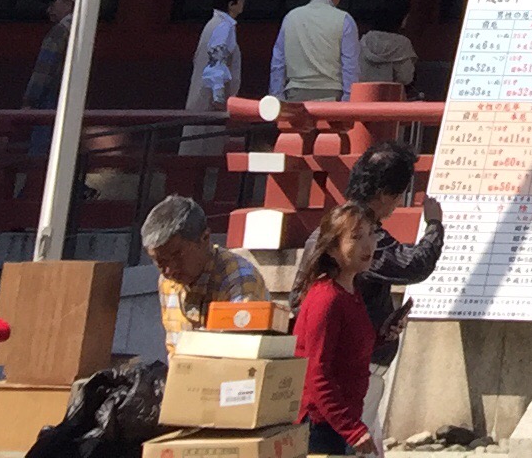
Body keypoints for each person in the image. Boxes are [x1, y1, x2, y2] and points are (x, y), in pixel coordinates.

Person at [342, 141, 447, 381]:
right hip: (351, 362)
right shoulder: (359, 233)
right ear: (384, 194)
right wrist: (434, 225)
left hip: (356, 352)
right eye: (399, 195)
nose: (399, 203)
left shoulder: (336, 225)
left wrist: (383, 331)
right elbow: (414, 265)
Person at [292, 201, 381, 456]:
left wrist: (383, 336)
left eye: (371, 234)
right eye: (356, 237)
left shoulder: (351, 291)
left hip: (341, 419)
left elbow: (347, 350)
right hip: (320, 424)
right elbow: (316, 372)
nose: (368, 245)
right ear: (332, 248)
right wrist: (351, 429)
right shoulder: (326, 297)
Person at [142, 194, 265, 334]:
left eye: (177, 256)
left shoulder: (238, 279)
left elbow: (236, 345)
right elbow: (173, 343)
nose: (169, 271)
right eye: (160, 262)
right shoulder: (166, 281)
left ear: (205, 238)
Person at [271, 0, 363, 105]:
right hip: (332, 94)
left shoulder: (291, 17)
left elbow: (278, 61)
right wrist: (348, 98)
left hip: (296, 93)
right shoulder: (344, 20)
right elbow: (351, 65)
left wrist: (277, 95)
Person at [183, 0, 248, 154]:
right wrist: (219, 98)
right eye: (241, 0)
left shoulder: (215, 25)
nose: (243, 4)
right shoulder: (223, 27)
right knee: (206, 149)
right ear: (231, 4)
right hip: (211, 101)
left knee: (198, 146)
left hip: (206, 97)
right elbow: (216, 62)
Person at [23, 0, 77, 109]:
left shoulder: (60, 31)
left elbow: (45, 68)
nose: (48, 10)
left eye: (53, 4)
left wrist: (29, 100)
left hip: (53, 101)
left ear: (68, 3)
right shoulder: (85, 28)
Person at [358, 0, 419, 95]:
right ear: (401, 18)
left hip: (363, 93)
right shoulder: (403, 44)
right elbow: (405, 78)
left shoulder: (365, 39)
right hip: (390, 95)